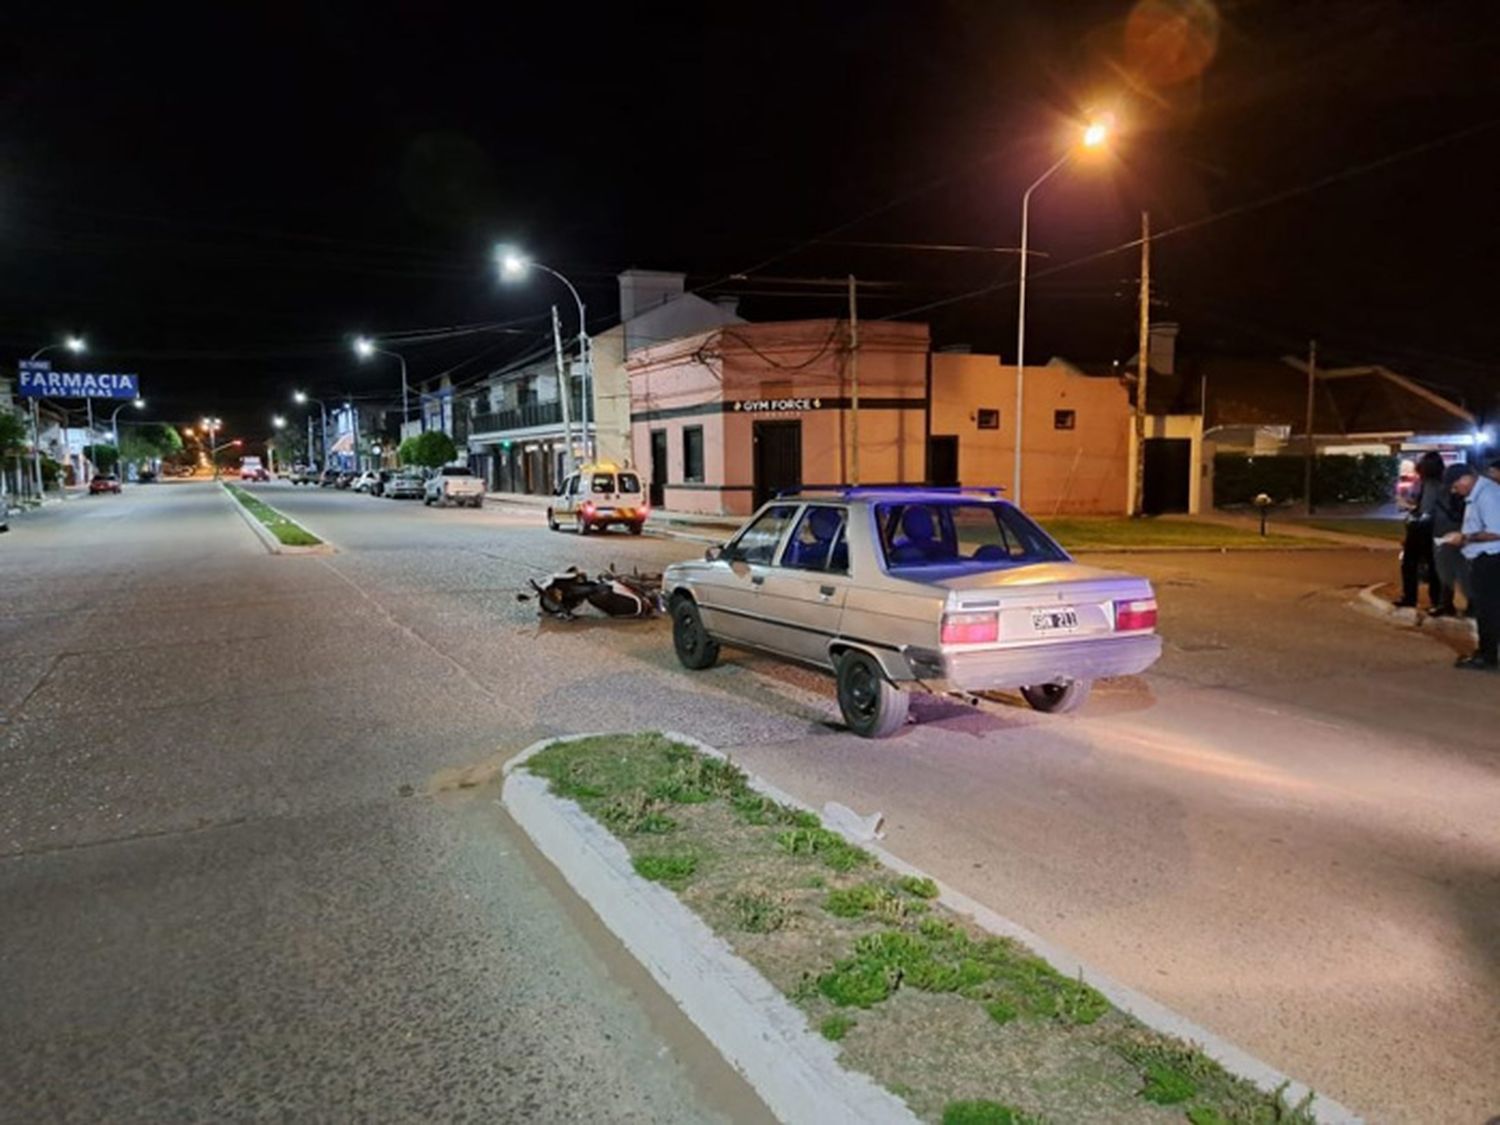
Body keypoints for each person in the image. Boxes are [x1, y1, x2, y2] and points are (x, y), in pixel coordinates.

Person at [1445, 459, 1500, 671]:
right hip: (1484, 558)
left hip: (1490, 558)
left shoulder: (1487, 495)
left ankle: (1487, 656)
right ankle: (1486, 652)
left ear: (1465, 478)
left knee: (1487, 609)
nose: (1454, 490)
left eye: (1455, 485)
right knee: (1487, 608)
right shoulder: (1479, 494)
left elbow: (1496, 530)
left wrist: (1466, 538)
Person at [1394, 451, 1445, 608]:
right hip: (1435, 529)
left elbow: (1426, 511)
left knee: (1411, 563)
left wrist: (1412, 517)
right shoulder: (1437, 483)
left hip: (1423, 529)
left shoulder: (1430, 484)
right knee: (1433, 565)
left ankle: (1412, 598)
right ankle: (1436, 600)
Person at [1430, 461, 1472, 616]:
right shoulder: (1443, 494)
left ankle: (1471, 606)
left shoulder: (1472, 495)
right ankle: (1445, 604)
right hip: (1445, 535)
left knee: (1465, 573)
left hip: (1462, 536)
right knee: (1446, 573)